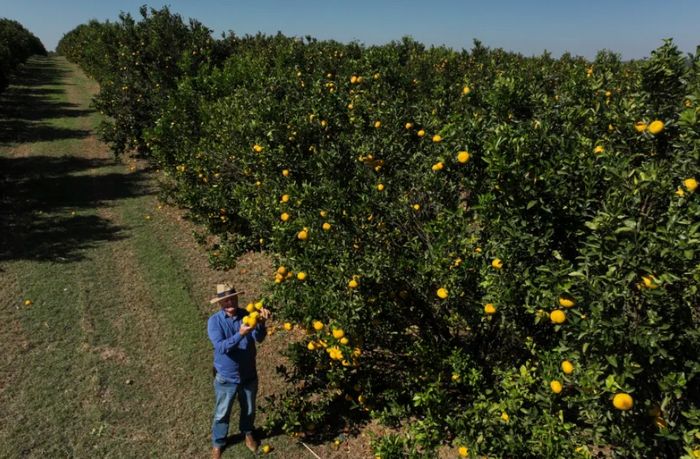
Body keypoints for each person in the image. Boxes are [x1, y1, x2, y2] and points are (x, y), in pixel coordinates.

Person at [207, 284, 271, 459]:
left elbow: (259, 338)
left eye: (232, 298)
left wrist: (261, 323)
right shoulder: (214, 322)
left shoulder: (247, 315)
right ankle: (218, 443)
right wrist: (240, 334)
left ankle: (247, 433)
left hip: (248, 374)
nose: (230, 303)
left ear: (237, 298)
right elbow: (221, 347)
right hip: (226, 377)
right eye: (225, 300)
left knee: (249, 409)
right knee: (222, 413)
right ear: (220, 303)